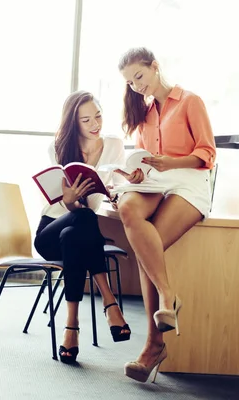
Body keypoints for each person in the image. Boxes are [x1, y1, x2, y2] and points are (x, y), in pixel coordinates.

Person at [115, 47, 216, 383]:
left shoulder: (190, 101)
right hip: (158, 182)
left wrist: (169, 162)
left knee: (148, 245)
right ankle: (168, 296)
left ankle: (153, 345)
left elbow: (207, 153)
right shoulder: (144, 115)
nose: (136, 86)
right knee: (128, 207)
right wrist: (137, 173)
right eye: (130, 82)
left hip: (188, 181)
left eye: (139, 76)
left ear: (155, 67)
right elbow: (147, 160)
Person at [34, 90, 131, 364]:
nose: (94, 124)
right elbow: (63, 203)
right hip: (50, 230)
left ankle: (71, 326)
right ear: (74, 123)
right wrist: (69, 201)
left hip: (76, 233)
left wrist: (119, 190)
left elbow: (120, 184)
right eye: (86, 120)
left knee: (81, 230)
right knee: (85, 219)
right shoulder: (58, 148)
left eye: (98, 116)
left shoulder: (114, 145)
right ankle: (109, 300)